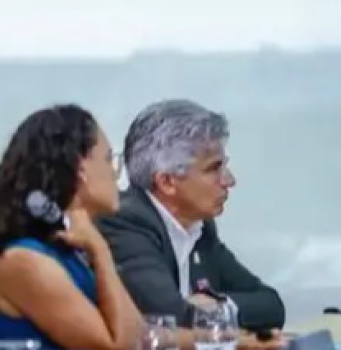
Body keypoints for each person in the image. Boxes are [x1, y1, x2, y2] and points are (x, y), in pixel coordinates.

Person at [0, 104, 146, 350]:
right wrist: (101, 251)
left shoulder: (70, 249)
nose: (115, 173)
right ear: (80, 168)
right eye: (109, 159)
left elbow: (139, 338)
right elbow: (118, 349)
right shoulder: (25, 260)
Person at [97, 99, 286, 332]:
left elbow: (271, 305)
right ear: (167, 182)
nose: (229, 180)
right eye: (214, 168)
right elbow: (168, 318)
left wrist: (218, 307)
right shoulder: (125, 222)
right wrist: (192, 312)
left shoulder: (200, 227)